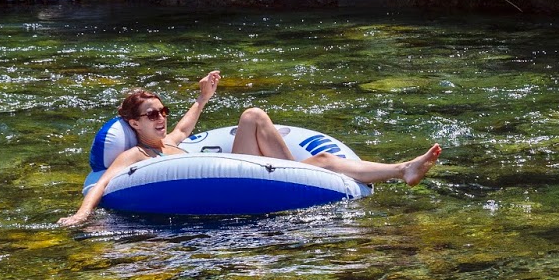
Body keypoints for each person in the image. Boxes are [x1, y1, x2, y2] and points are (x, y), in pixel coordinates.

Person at [58, 70, 440, 226]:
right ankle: (402, 169)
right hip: (232, 175)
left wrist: (204, 98)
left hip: (240, 169)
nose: (160, 118)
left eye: (162, 111)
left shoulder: (169, 141)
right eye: (151, 114)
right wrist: (80, 217)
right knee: (323, 162)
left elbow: (185, 127)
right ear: (134, 124)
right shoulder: (136, 155)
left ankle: (402, 169)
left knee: (253, 115)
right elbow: (102, 184)